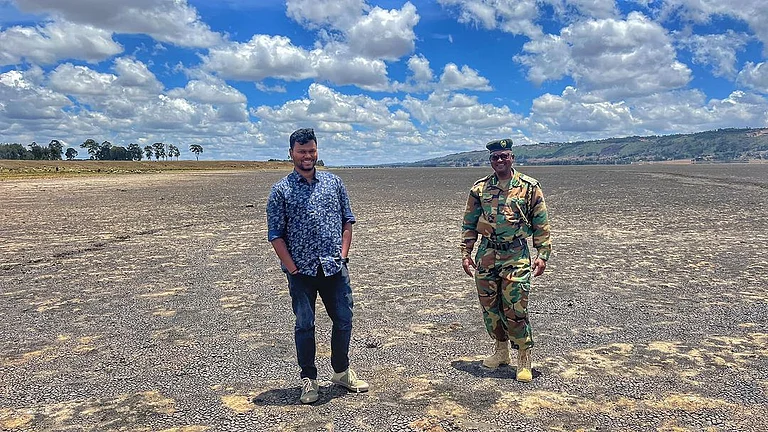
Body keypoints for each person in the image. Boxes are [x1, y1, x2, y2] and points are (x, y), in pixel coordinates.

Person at [266, 128, 369, 404]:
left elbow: (347, 220)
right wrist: (292, 268)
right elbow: (275, 235)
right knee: (305, 325)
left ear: (317, 151)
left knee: (344, 320)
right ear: (291, 153)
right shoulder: (281, 190)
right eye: (301, 151)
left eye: (311, 150)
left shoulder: (334, 183)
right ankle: (308, 378)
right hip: (301, 272)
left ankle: (341, 371)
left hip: (334, 268)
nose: (307, 156)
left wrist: (343, 255)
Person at [460, 138, 551, 383]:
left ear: (512, 158)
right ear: (490, 160)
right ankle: (501, 351)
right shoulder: (479, 189)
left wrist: (542, 254)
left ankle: (523, 357)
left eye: (504, 156)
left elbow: (541, 222)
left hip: (516, 255)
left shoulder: (529, 187)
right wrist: (466, 253)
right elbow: (469, 223)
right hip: (487, 254)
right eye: (495, 157)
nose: (500, 160)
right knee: (490, 307)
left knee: (516, 307)